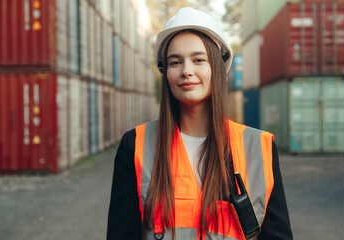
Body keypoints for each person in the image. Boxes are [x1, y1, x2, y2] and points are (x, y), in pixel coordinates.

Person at [107, 7, 293, 240]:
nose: (187, 71)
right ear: (165, 73)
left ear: (217, 67)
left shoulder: (258, 147)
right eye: (175, 62)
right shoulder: (135, 146)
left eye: (198, 60)